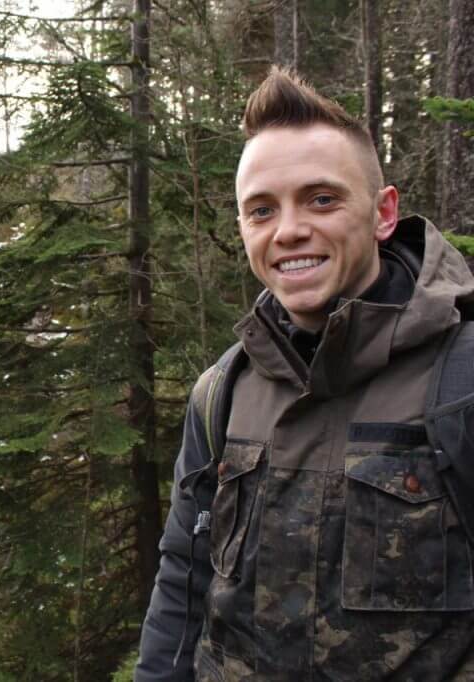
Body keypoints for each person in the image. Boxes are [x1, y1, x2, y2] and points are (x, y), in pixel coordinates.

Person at [135, 66, 474, 680]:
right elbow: (184, 582)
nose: (289, 231)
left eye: (321, 199)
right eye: (261, 210)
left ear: (383, 213)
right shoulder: (223, 392)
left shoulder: (463, 381)